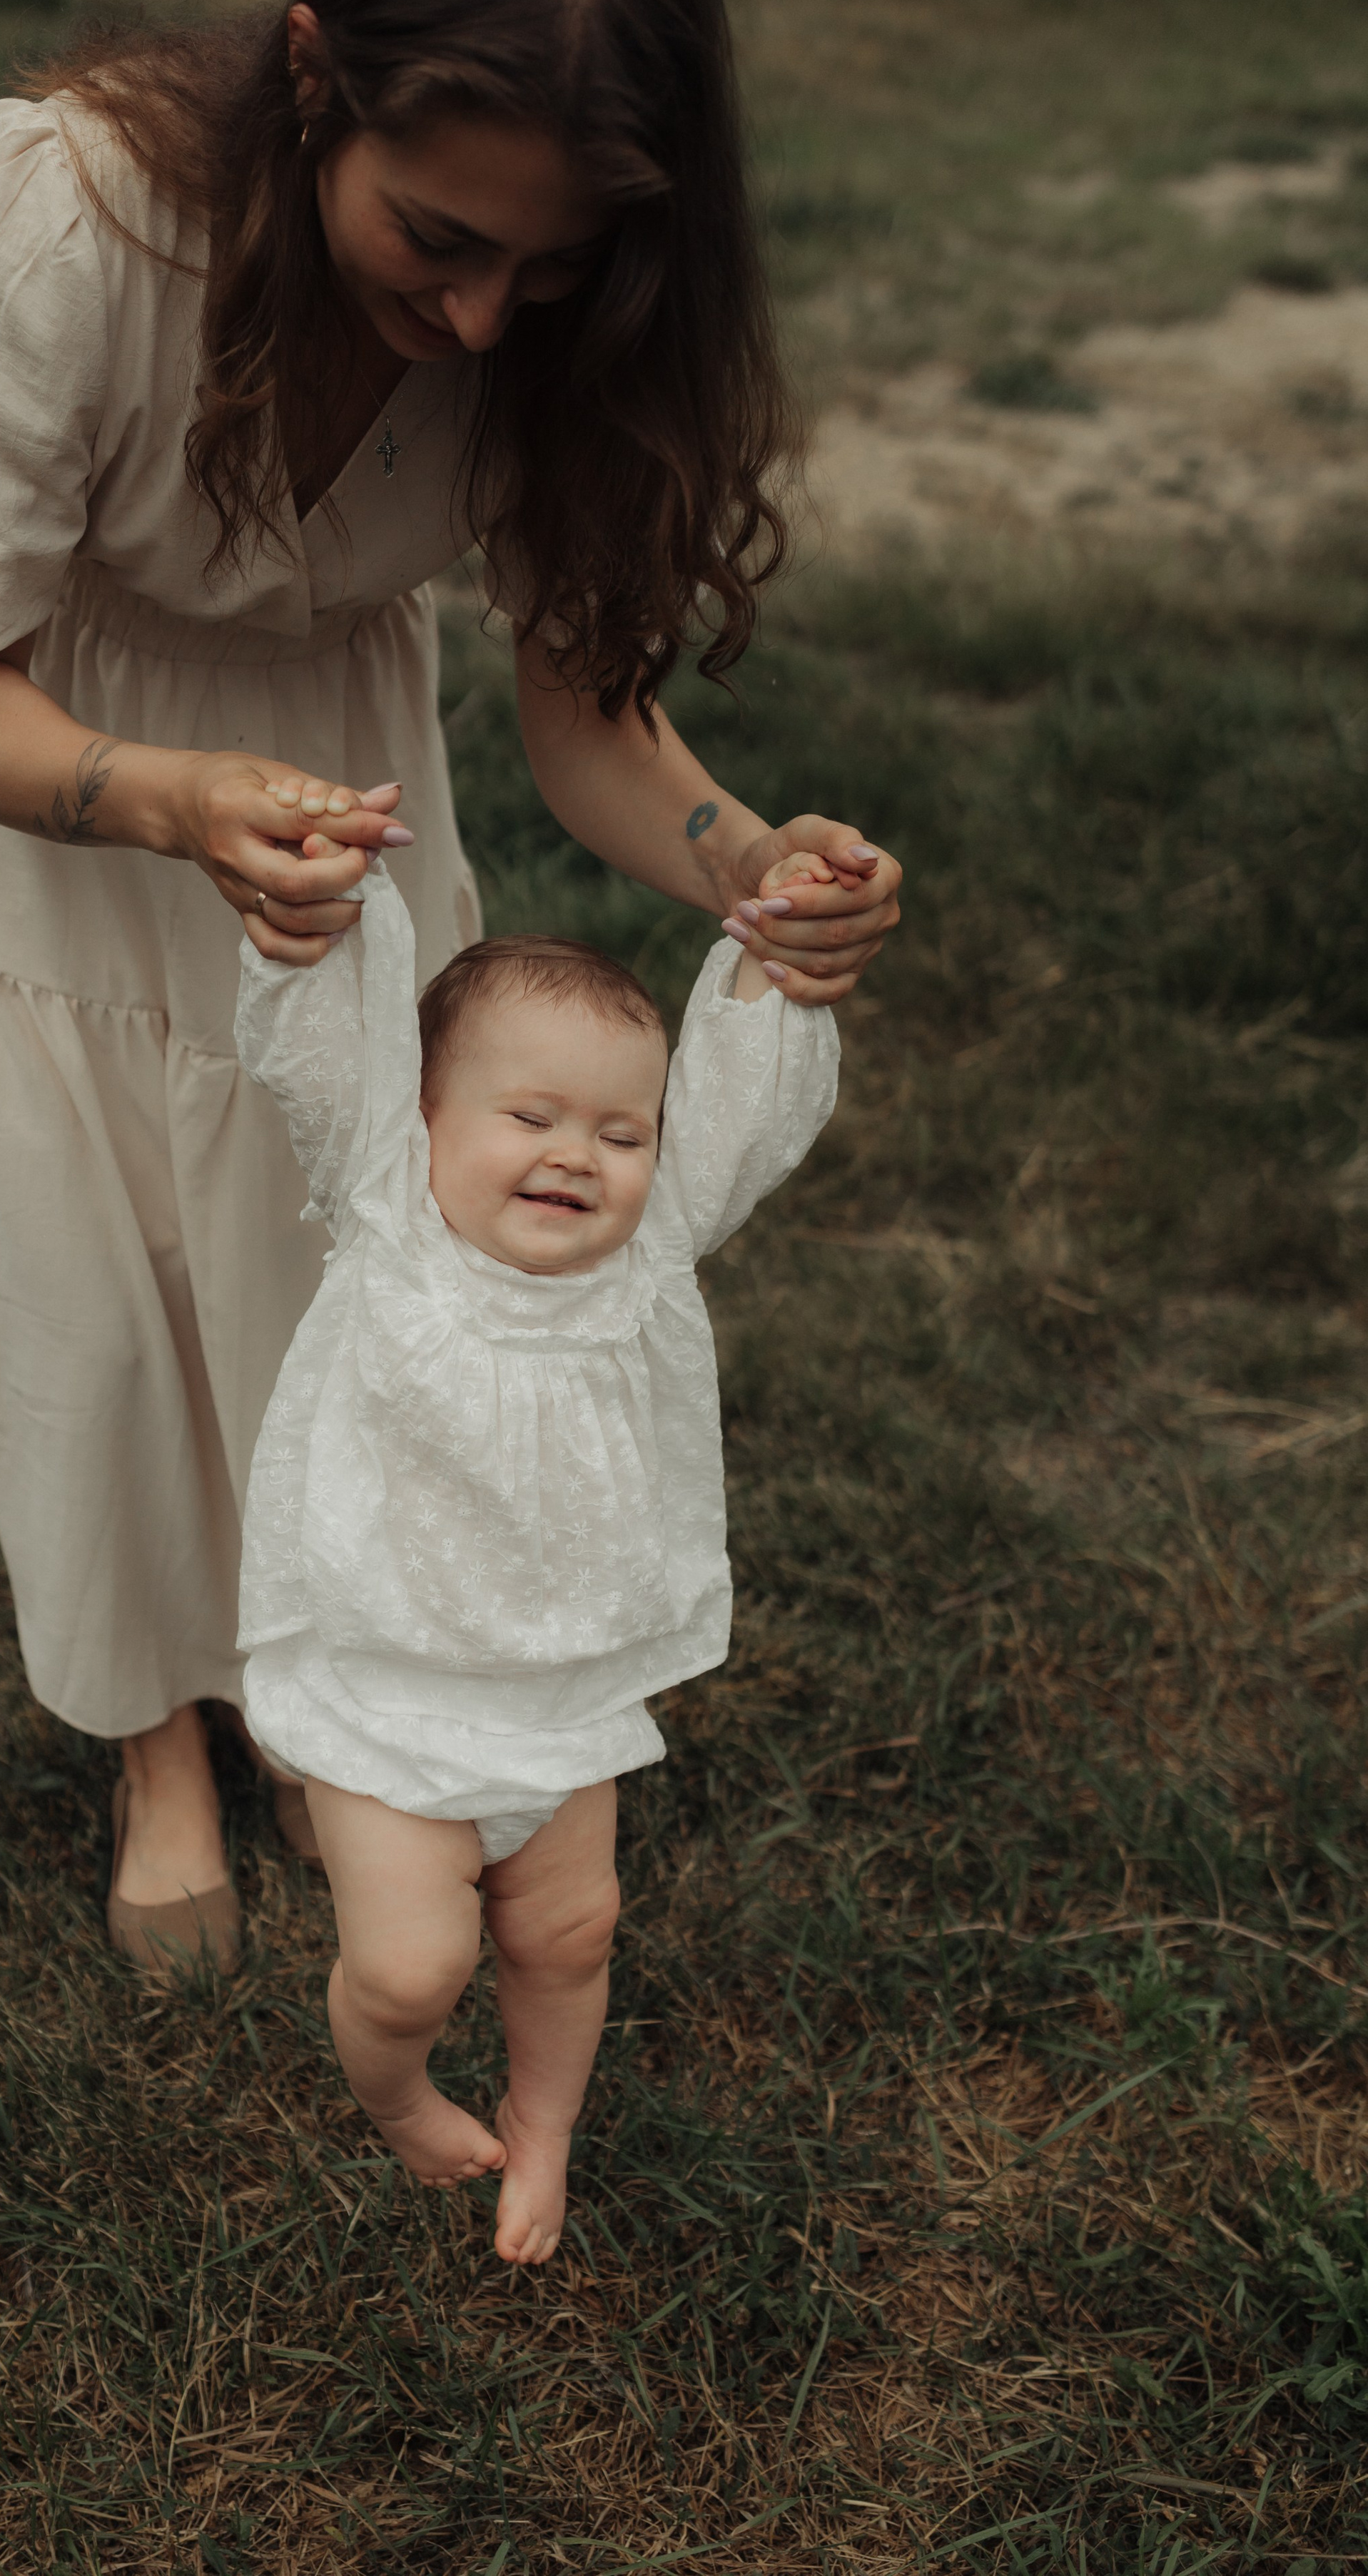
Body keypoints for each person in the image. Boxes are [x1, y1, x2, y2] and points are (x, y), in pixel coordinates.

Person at [0, 0, 902, 1975]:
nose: (486, 316)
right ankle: (153, 1744)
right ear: (318, 76)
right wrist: (167, 800)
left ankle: (314, 1704)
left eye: (551, 265)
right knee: (88, 1320)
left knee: (323, 1295)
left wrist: (742, 859)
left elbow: (586, 715)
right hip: (53, 798)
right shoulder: (65, 215)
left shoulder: (555, 315)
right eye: (440, 239)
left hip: (338, 826)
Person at [233, 847, 838, 2259]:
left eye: (622, 1134)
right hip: (385, 1685)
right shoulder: (389, 1221)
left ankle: (545, 2124)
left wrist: (773, 962)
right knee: (410, 1966)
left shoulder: (651, 1257)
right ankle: (397, 2095)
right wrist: (312, 924)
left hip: (563, 1689)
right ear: (423, 1123)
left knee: (568, 1935)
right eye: (530, 1117)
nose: (577, 1154)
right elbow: (322, 1057)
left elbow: (743, 1114)